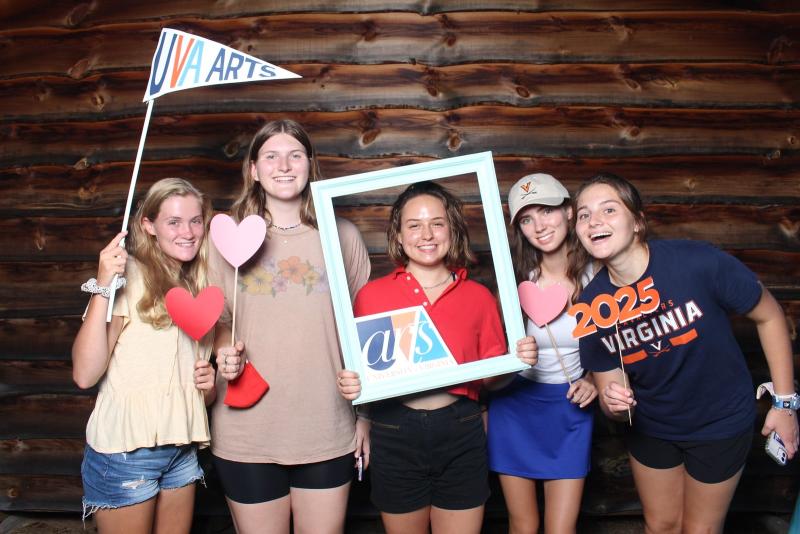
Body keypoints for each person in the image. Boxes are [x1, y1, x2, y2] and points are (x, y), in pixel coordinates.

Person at [572, 172, 799, 534]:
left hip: (719, 422)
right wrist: (614, 404)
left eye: (609, 209)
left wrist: (785, 404)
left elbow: (770, 316)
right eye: (584, 214)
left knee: (699, 530)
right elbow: (611, 396)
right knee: (660, 525)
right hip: (654, 426)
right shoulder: (591, 307)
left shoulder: (697, 262)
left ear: (638, 222)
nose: (594, 220)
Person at [337, 181, 537, 534]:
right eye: (414, 225)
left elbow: (491, 378)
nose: (426, 234)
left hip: (461, 429)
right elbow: (364, 374)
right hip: (395, 429)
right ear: (398, 235)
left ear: (453, 230)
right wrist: (352, 385)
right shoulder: (372, 297)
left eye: (437, 223)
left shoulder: (478, 297)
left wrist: (515, 361)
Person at [209, 119, 371, 534]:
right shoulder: (224, 240)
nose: (284, 165)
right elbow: (215, 322)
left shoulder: (342, 236)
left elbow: (362, 329)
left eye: (295, 155)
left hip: (326, 425)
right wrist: (220, 351)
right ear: (254, 170)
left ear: (310, 165)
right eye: (271, 156)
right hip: (246, 429)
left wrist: (365, 416)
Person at [72, 178, 216, 534]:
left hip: (181, 450)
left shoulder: (201, 286)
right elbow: (85, 374)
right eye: (174, 222)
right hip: (125, 451)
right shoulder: (130, 276)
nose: (188, 232)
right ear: (148, 226)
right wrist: (104, 285)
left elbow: (200, 393)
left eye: (195, 220)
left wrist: (210, 385)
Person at [487, 173, 597, 534]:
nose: (539, 225)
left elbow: (622, 344)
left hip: (570, 406)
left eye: (547, 211)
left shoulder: (599, 277)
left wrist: (596, 378)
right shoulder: (514, 279)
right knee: (523, 524)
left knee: (561, 528)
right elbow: (491, 354)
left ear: (569, 211)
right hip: (515, 407)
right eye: (527, 218)